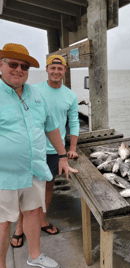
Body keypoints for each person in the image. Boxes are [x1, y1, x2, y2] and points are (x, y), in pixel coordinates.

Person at [0, 43, 78, 268]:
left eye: (24, 66)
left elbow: (51, 126)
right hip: (5, 175)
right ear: (1, 65)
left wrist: (63, 155)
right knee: (4, 222)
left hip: (34, 169)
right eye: (13, 64)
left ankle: (35, 256)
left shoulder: (35, 93)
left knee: (34, 212)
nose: (18, 70)